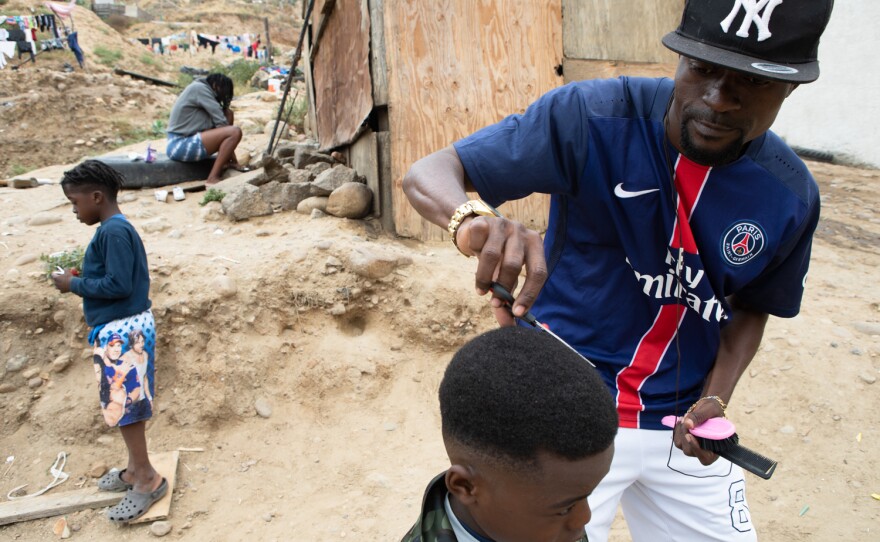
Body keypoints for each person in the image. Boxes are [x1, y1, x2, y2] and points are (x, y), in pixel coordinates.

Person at [403, 1, 834, 540]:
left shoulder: (789, 194)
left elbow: (754, 306)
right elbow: (430, 173)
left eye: (751, 82)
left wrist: (715, 399)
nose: (719, 99)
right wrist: (472, 220)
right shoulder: (591, 116)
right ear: (678, 57)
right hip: (563, 421)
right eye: (702, 69)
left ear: (790, 88)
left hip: (679, 424)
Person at [401, 326, 618, 542]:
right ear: (465, 487)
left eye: (587, 496)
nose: (584, 519)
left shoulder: (547, 513)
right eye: (565, 509)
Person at [51, 160, 166, 523]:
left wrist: (73, 285)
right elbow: (116, 276)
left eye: (75, 202)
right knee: (127, 405)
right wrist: (85, 275)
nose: (73, 210)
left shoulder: (113, 232)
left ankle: (147, 478)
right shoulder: (113, 229)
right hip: (124, 327)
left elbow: (119, 285)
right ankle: (134, 470)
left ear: (97, 197)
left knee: (125, 405)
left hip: (123, 331)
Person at [166, 73, 246, 185]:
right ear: (215, 86)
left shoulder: (201, 88)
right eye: (223, 92)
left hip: (187, 140)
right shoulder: (200, 89)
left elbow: (224, 119)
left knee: (228, 114)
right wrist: (234, 158)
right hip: (180, 145)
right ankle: (213, 177)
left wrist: (232, 159)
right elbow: (222, 123)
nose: (222, 97)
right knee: (235, 132)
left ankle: (228, 161)